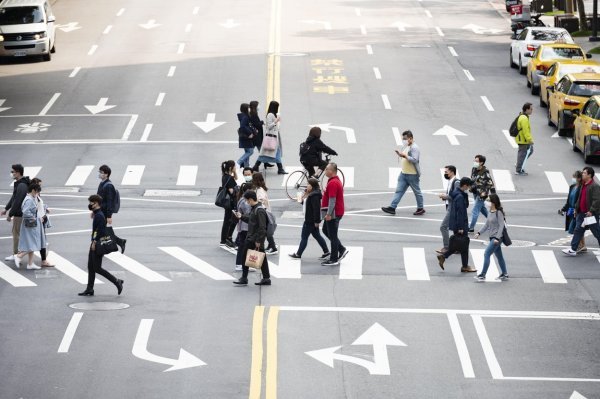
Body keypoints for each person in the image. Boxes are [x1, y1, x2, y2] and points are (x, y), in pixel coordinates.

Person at [78, 195, 124, 296]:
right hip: (94, 243)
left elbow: (100, 231)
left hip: (97, 244)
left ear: (97, 203)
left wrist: (94, 242)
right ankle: (89, 289)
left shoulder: (99, 215)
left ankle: (117, 281)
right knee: (91, 267)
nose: (90, 204)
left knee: (97, 268)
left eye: (92, 203)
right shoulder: (97, 213)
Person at [436, 177, 476, 273]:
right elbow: (460, 213)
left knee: (458, 245)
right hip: (461, 224)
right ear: (465, 185)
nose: (470, 188)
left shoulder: (457, 194)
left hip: (456, 223)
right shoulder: (460, 197)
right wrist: (461, 227)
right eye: (469, 186)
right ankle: (465, 266)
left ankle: (444, 256)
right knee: (464, 245)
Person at [232, 190, 272, 286]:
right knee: (262, 259)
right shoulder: (255, 208)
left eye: (247, 200)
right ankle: (266, 278)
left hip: (254, 238)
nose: (246, 202)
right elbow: (251, 220)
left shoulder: (259, 210)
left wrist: (258, 240)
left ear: (250, 199)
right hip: (253, 237)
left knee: (245, 256)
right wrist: (241, 216)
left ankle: (244, 278)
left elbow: (262, 227)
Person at [381, 130, 425, 216]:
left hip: (412, 174)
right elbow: (406, 156)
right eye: (403, 138)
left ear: (410, 138)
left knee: (417, 192)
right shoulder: (407, 146)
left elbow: (415, 160)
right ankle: (392, 208)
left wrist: (405, 156)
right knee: (399, 191)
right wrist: (401, 155)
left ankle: (420, 208)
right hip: (404, 173)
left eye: (405, 138)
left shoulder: (415, 147)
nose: (403, 140)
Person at [289, 178, 330, 259]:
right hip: (311, 220)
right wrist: (303, 195)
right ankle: (326, 252)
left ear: (312, 186)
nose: (307, 186)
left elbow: (316, 209)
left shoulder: (314, 196)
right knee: (317, 236)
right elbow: (303, 203)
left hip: (310, 220)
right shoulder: (311, 194)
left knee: (304, 237)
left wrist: (317, 221)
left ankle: (298, 254)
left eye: (308, 184)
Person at [563, 167, 600, 256]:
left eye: (584, 173)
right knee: (578, 231)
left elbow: (597, 200)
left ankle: (573, 249)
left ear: (589, 175)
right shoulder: (583, 184)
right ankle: (573, 249)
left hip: (590, 215)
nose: (582, 174)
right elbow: (580, 198)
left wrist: (591, 211)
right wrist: (576, 209)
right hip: (581, 213)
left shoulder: (594, 186)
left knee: (597, 232)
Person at [473, 194, 509, 281]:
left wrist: (497, 238)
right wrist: (479, 233)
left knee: (487, 254)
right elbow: (487, 225)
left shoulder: (498, 212)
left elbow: (501, 226)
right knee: (499, 256)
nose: (486, 202)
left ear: (493, 202)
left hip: (496, 238)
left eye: (488, 200)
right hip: (492, 237)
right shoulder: (490, 212)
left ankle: (482, 275)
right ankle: (505, 274)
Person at [321, 163, 348, 266]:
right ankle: (341, 249)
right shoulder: (334, 181)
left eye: (326, 169)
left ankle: (334, 259)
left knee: (333, 235)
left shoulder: (333, 183)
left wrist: (328, 214)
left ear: (331, 171)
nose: (325, 171)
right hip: (334, 212)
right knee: (326, 230)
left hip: (333, 213)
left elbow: (332, 200)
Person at [1, 164, 30, 262]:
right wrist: (6, 209)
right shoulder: (19, 183)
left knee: (16, 234)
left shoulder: (21, 185)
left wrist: (10, 214)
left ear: (18, 172)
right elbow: (14, 197)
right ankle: (18, 253)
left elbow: (18, 200)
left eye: (13, 171)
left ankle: (16, 254)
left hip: (19, 214)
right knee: (20, 234)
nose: (11, 173)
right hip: (19, 213)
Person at [14, 183, 44, 270]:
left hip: (31, 224)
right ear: (33, 190)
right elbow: (26, 212)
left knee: (32, 243)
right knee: (33, 243)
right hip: (31, 224)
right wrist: (35, 218)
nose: (38, 193)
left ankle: (30, 263)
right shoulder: (29, 200)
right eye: (37, 191)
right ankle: (19, 256)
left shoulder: (31, 198)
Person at [97, 165, 126, 254]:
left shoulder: (108, 186)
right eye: (99, 172)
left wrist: (109, 216)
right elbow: (98, 198)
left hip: (105, 212)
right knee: (102, 231)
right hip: (100, 211)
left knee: (100, 231)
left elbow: (109, 202)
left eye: (101, 172)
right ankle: (119, 242)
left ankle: (102, 248)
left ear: (106, 174)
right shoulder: (102, 183)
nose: (99, 174)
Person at [256, 101, 287, 174]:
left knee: (273, 152)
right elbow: (268, 126)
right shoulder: (270, 115)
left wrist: (277, 121)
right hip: (271, 137)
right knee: (267, 153)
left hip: (274, 136)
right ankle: (280, 169)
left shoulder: (273, 114)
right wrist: (276, 121)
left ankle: (280, 169)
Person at [251, 172, 278, 254]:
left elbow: (261, 199)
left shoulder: (259, 190)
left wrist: (256, 202)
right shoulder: (260, 188)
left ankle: (273, 247)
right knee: (267, 230)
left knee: (265, 230)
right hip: (266, 211)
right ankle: (271, 246)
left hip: (264, 212)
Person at [559, 170, 585, 252]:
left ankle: (580, 245)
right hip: (570, 210)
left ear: (579, 178)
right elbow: (568, 200)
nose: (573, 179)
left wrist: (577, 210)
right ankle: (582, 245)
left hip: (577, 211)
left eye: (575, 177)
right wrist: (563, 209)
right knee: (576, 228)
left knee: (577, 228)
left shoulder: (582, 188)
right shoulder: (572, 186)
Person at [232, 182, 256, 271]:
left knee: (243, 246)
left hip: (243, 226)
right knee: (244, 246)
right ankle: (241, 264)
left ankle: (240, 264)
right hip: (246, 227)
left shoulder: (241, 199)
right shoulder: (245, 202)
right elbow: (249, 213)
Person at [469, 155, 495, 233]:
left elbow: (490, 183)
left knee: (475, 210)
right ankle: (493, 222)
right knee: (482, 208)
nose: (474, 162)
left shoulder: (485, 171)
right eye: (474, 160)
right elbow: (472, 179)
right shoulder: (474, 169)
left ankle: (471, 228)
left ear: (481, 163)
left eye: (476, 161)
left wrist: (493, 195)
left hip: (482, 194)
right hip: (475, 192)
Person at [31, 178, 53, 267]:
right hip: (39, 221)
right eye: (39, 185)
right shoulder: (33, 196)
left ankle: (43, 260)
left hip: (41, 219)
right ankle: (20, 255)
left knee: (40, 241)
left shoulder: (37, 194)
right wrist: (38, 218)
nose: (41, 187)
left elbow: (40, 206)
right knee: (39, 241)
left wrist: (45, 208)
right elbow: (33, 208)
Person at [437, 165, 460, 254]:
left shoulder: (456, 182)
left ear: (452, 172)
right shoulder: (450, 181)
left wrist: (445, 196)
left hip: (453, 208)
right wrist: (445, 197)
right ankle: (458, 248)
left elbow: (456, 195)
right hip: (449, 206)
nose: (445, 173)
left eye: (446, 172)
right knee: (455, 228)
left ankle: (447, 247)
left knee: (443, 227)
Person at [220, 160, 238, 249]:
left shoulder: (225, 176)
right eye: (234, 167)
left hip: (228, 203)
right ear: (231, 167)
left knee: (228, 221)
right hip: (230, 203)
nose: (236, 168)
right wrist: (237, 191)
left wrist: (234, 172)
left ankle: (225, 239)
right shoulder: (229, 178)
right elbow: (231, 191)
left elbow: (236, 178)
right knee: (229, 221)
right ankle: (225, 239)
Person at [515, 102, 534, 176]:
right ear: (527, 109)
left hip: (523, 139)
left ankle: (519, 163)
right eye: (531, 109)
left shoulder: (524, 116)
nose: (532, 111)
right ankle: (518, 170)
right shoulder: (524, 118)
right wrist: (530, 140)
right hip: (523, 140)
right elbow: (525, 131)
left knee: (529, 151)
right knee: (522, 154)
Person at [248, 101, 267, 168]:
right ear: (255, 106)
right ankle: (257, 165)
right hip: (256, 136)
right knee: (261, 151)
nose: (259, 106)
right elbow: (256, 124)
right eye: (258, 105)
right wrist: (262, 122)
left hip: (256, 136)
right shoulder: (253, 114)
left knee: (260, 151)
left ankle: (266, 163)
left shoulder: (253, 113)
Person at [237, 103, 255, 168]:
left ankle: (246, 166)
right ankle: (238, 162)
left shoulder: (244, 116)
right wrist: (250, 133)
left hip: (244, 137)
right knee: (250, 151)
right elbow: (243, 126)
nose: (250, 109)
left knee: (247, 151)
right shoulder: (245, 117)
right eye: (249, 108)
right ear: (246, 109)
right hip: (246, 137)